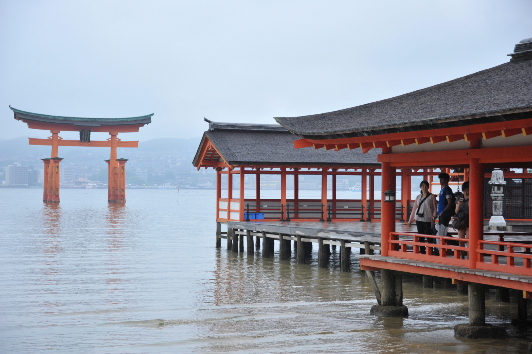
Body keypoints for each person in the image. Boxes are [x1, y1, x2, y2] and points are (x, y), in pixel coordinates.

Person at [407, 180, 437, 253]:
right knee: (421, 235)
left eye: (426, 185)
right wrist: (410, 220)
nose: (424, 187)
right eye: (423, 185)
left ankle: (430, 251)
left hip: (428, 219)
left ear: (428, 187)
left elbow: (434, 208)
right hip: (419, 219)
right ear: (420, 187)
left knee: (429, 235)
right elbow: (414, 209)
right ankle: (422, 251)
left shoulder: (432, 196)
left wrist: (434, 216)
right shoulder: (418, 197)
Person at [436, 172, 455, 236]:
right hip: (441, 213)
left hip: (445, 214)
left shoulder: (447, 190)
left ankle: (451, 243)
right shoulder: (442, 190)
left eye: (441, 179)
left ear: (446, 180)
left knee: (443, 231)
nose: (440, 181)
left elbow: (450, 202)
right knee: (441, 230)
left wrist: (443, 212)